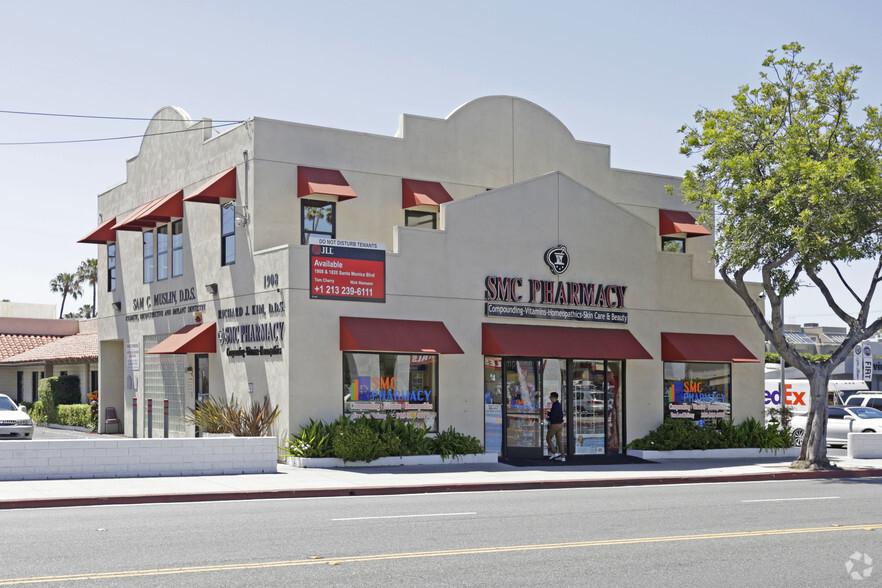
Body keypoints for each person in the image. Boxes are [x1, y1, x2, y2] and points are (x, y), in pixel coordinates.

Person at [545, 392, 565, 461]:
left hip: (555, 424)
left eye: (550, 397)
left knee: (548, 438)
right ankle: (563, 457)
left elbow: (554, 416)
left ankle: (554, 452)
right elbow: (555, 414)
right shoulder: (558, 404)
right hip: (560, 424)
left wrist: (548, 418)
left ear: (553, 398)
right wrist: (548, 413)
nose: (550, 398)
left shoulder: (555, 405)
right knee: (559, 441)